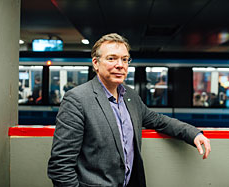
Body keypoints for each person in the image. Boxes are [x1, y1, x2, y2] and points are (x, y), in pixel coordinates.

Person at [48, 33, 211, 187]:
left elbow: (158, 120)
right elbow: (60, 165)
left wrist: (193, 133)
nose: (120, 65)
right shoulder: (77, 99)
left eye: (125, 59)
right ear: (96, 63)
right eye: (112, 58)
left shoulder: (130, 96)